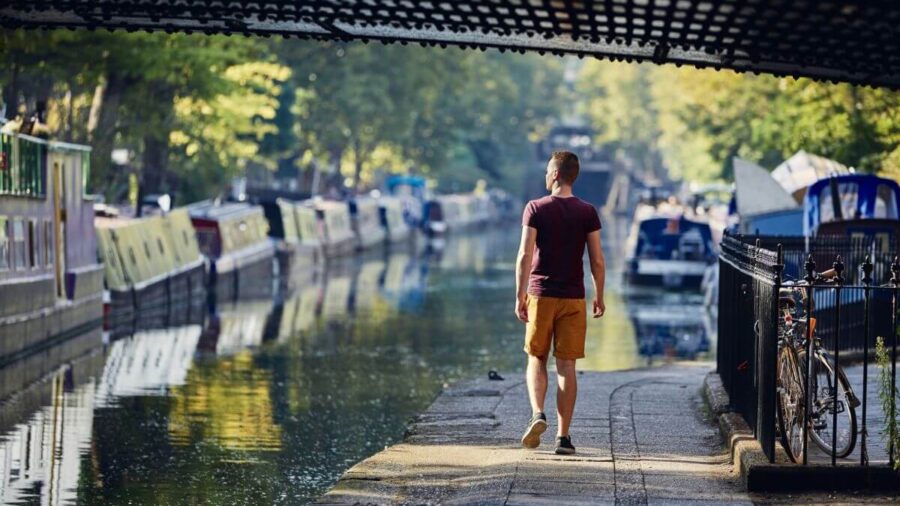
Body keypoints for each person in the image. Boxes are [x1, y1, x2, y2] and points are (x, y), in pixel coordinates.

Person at [515, 150, 606, 455]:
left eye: (546, 171)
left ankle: (537, 413)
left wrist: (520, 294)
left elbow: (525, 255)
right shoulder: (587, 212)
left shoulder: (535, 208)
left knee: (537, 357)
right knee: (566, 366)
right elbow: (597, 260)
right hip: (574, 297)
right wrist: (600, 296)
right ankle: (563, 438)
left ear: (554, 174)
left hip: (540, 294)